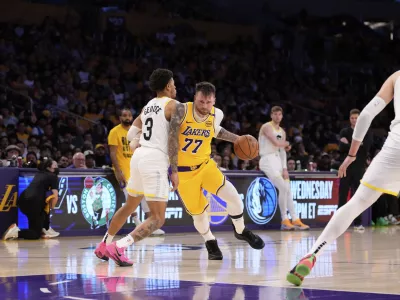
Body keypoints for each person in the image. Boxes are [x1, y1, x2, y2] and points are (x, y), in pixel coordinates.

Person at [286, 71, 400, 286]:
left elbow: (366, 116)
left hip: (395, 148)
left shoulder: (396, 77)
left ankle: (312, 254)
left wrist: (351, 155)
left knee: (355, 203)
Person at [94, 68, 181, 266]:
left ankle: (103, 245)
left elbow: (130, 136)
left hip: (139, 158)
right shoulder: (174, 105)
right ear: (168, 85)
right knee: (158, 219)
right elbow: (173, 140)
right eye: (174, 83)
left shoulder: (147, 106)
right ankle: (119, 247)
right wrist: (174, 170)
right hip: (155, 159)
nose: (175, 87)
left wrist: (142, 141)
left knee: (129, 206)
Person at [176, 82, 265, 260]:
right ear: (195, 98)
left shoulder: (217, 113)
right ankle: (210, 242)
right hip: (183, 173)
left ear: (214, 100)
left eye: (209, 102)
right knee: (200, 216)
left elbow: (215, 131)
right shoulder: (182, 111)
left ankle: (240, 230)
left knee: (234, 197)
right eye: (201, 102)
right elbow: (169, 138)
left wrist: (237, 139)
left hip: (205, 165)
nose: (204, 106)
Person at [108, 108, 165, 236]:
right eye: (124, 115)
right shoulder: (114, 132)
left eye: (129, 115)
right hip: (124, 169)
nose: (127, 118)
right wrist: (117, 170)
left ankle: (150, 226)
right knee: (130, 199)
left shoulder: (139, 131)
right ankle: (137, 223)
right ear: (119, 118)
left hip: (139, 167)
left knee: (146, 196)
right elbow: (112, 153)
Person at [258, 106, 309, 231]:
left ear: (282, 116)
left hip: (278, 161)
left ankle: (295, 219)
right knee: (283, 187)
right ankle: (284, 220)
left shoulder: (282, 131)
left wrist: (285, 168)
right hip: (267, 159)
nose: (277, 116)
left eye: (279, 114)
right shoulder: (266, 127)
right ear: (271, 115)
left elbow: (282, 151)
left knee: (288, 190)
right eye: (275, 114)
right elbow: (276, 143)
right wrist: (287, 144)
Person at [2, 158, 60, 240]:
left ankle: (45, 230)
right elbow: (55, 196)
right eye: (55, 166)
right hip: (34, 203)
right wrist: (52, 207)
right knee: (35, 234)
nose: (57, 167)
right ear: (48, 167)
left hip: (23, 201)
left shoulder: (39, 174)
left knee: (34, 227)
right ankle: (16, 232)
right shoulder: (53, 176)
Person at [338, 109, 373, 231]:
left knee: (357, 196)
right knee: (342, 195)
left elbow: (366, 148)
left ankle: (357, 223)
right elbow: (341, 148)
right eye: (352, 118)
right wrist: (358, 145)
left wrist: (349, 145)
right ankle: (339, 223)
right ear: (350, 119)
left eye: (356, 118)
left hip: (359, 168)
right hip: (345, 167)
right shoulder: (344, 131)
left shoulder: (366, 131)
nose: (354, 120)